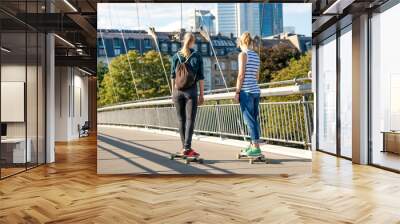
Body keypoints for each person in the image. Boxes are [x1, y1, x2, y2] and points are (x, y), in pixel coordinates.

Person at [171, 32, 205, 157]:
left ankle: (184, 148)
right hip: (191, 91)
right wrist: (201, 94)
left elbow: (173, 77)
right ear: (193, 41)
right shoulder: (197, 56)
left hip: (177, 92)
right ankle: (187, 148)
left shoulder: (175, 56)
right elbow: (201, 77)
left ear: (183, 41)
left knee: (181, 120)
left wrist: (172, 92)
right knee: (190, 119)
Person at [234, 32, 262, 157]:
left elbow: (241, 75)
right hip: (256, 91)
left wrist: (237, 92)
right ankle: (252, 145)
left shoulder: (243, 54)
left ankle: (255, 147)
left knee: (249, 120)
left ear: (241, 42)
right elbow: (257, 76)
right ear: (250, 42)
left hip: (246, 91)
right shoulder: (256, 56)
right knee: (253, 119)